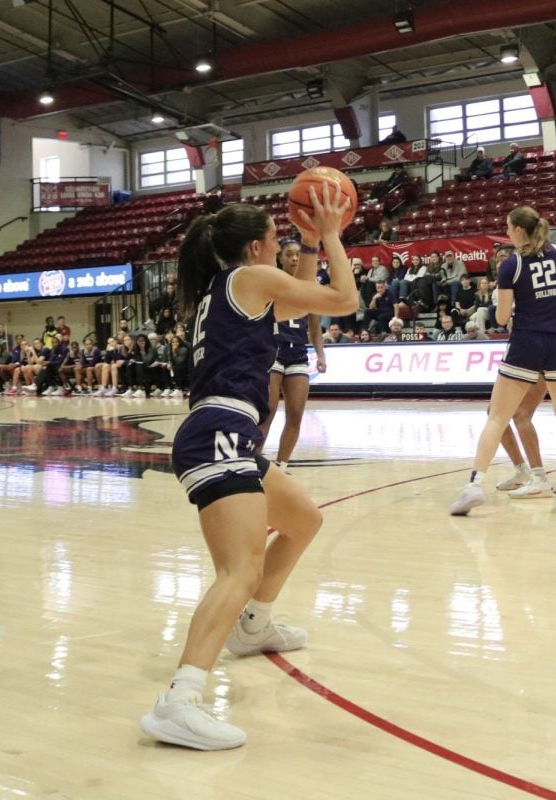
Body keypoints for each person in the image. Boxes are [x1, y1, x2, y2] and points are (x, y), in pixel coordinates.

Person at [139, 187, 356, 751]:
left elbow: (304, 298)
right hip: (219, 431)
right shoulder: (249, 280)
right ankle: (178, 702)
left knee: (304, 519)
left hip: (229, 432)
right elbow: (342, 299)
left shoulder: (236, 287)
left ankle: (254, 625)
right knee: (238, 570)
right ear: (257, 246)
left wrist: (308, 243)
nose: (283, 246)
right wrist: (332, 232)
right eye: (280, 240)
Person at [449, 206, 556, 515]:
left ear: (520, 232)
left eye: (509, 228)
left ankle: (473, 486)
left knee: (497, 417)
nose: (507, 232)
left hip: (526, 342)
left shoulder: (512, 265)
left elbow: (500, 317)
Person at [259, 237, 327, 468]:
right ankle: (252, 462)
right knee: (267, 412)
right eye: (289, 254)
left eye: (298, 254)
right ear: (280, 258)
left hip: (298, 354)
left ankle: (281, 465)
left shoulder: (311, 289)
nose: (295, 258)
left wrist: (320, 355)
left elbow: (316, 327)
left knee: (296, 414)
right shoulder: (273, 283)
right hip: (273, 353)